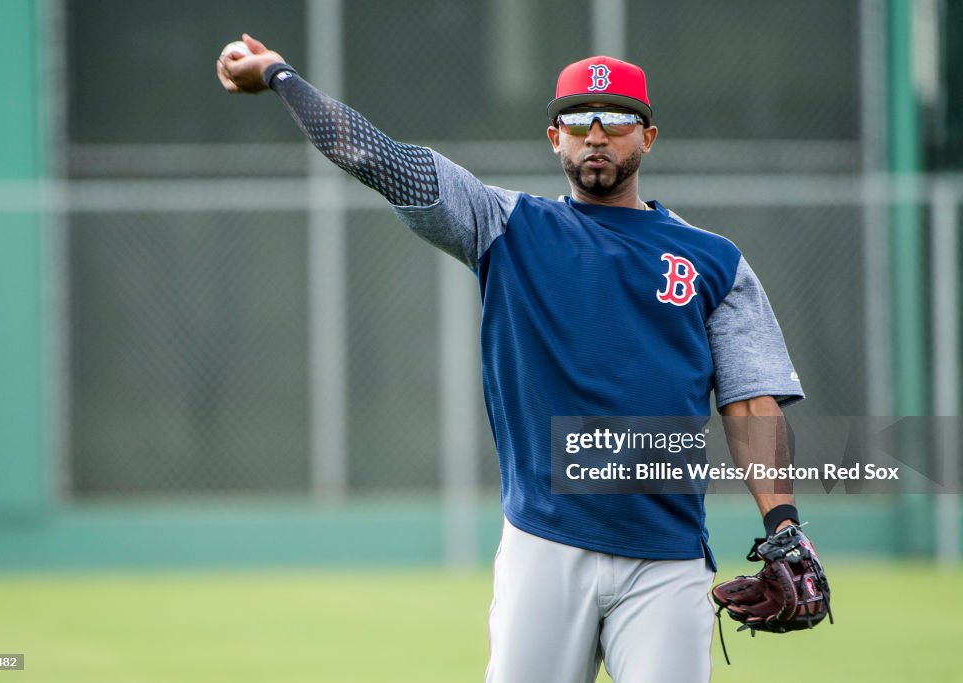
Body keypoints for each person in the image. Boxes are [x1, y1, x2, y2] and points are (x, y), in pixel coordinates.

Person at [217, 34, 812, 682]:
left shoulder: (714, 261)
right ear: (553, 137)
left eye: (614, 119)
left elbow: (751, 400)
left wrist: (783, 526)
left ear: (648, 137)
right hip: (544, 546)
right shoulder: (504, 226)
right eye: (577, 120)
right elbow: (378, 158)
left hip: (666, 560)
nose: (595, 134)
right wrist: (281, 76)